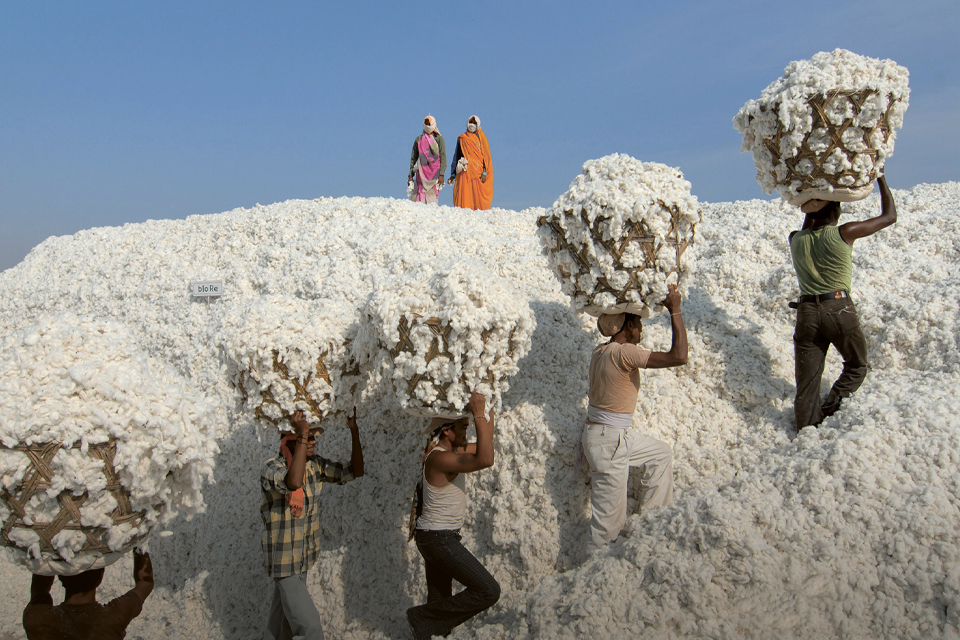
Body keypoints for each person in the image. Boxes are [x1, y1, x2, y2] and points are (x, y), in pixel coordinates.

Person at [581, 284, 688, 555]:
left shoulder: (600, 350)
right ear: (628, 326)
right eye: (638, 324)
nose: (641, 329)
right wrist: (675, 310)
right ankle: (592, 572)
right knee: (607, 527)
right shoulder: (624, 352)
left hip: (608, 436)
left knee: (661, 454)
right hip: (610, 441)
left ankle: (652, 523)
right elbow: (679, 356)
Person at [789, 174, 898, 429]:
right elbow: (889, 216)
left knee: (807, 384)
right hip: (838, 309)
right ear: (835, 211)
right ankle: (831, 409)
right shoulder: (844, 233)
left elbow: (808, 225)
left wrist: (812, 195)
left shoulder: (796, 239)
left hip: (806, 313)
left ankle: (806, 432)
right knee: (857, 365)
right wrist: (881, 178)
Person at [260, 409, 364, 640]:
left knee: (279, 629)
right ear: (291, 439)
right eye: (310, 437)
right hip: (284, 564)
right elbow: (293, 482)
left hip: (303, 560)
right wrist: (303, 433)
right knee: (311, 629)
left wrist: (354, 430)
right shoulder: (271, 467)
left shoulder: (313, 466)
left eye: (314, 437)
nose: (314, 442)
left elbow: (355, 471)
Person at [406, 391, 500, 640]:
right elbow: (486, 459)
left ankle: (429, 630)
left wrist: (488, 408)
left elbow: (486, 444)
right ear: (447, 431)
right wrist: (478, 414)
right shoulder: (440, 458)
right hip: (438, 539)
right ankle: (421, 617)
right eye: (463, 427)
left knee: (440, 606)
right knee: (488, 590)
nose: (466, 432)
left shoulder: (452, 450)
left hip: (435, 537)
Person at [22, 549, 154, 640]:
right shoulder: (112, 619)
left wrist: (46, 551)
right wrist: (139, 543)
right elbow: (145, 583)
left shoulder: (37, 620)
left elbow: (40, 588)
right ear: (100, 577)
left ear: (59, 576)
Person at [447, 116, 493, 210]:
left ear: (478, 125)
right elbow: (456, 156)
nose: (472, 125)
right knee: (465, 197)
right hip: (465, 172)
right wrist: (453, 174)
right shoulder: (462, 139)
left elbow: (485, 157)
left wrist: (484, 172)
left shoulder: (481, 138)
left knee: (477, 200)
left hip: (478, 173)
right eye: (470, 123)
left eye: (474, 123)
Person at [408, 115, 446, 204]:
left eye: (429, 124)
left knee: (432, 201)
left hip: (434, 174)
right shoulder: (419, 139)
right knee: (419, 198)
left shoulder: (439, 139)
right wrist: (410, 175)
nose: (428, 127)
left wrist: (442, 174)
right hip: (421, 174)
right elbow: (414, 158)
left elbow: (443, 157)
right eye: (426, 124)